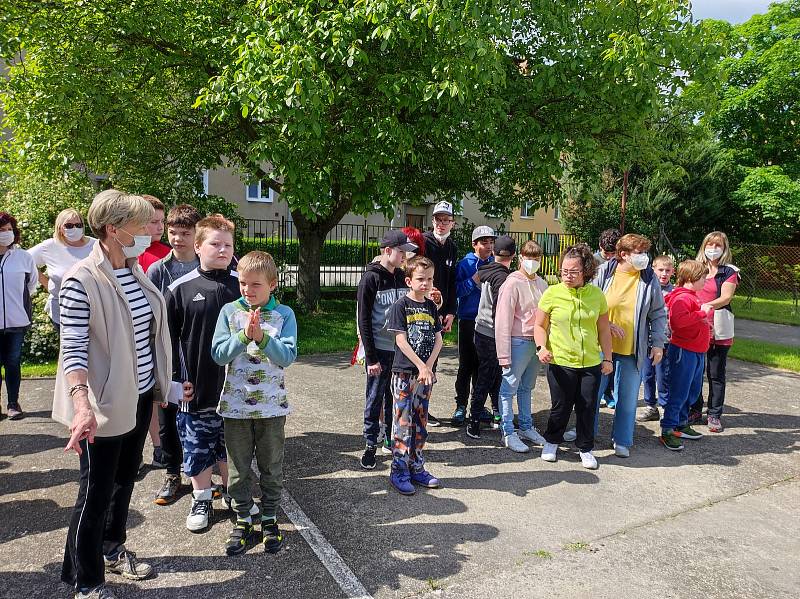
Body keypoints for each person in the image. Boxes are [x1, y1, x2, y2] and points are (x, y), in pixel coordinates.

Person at [53, 190, 177, 599]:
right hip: (104, 403)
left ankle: (112, 546)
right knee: (95, 491)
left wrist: (164, 384)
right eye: (141, 225)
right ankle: (84, 580)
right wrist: (82, 405)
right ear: (113, 229)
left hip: (138, 396)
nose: (149, 231)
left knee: (125, 478)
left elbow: (146, 336)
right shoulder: (82, 279)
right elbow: (73, 347)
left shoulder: (133, 269)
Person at [212, 251, 297, 555]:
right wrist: (242, 335)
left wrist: (261, 338)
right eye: (243, 283)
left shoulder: (284, 315)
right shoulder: (229, 312)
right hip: (235, 407)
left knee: (271, 465)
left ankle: (270, 517)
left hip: (272, 408)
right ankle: (244, 517)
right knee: (237, 468)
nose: (248, 290)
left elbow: (287, 357)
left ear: (272, 284)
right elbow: (218, 354)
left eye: (256, 284)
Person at [166, 214, 240, 532]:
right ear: (198, 246)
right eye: (214, 243)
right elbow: (166, 340)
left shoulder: (242, 285)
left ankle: (233, 494)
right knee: (197, 447)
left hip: (237, 389)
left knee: (231, 447)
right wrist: (170, 381)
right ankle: (201, 498)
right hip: (195, 388)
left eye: (228, 244)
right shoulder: (180, 289)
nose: (222, 250)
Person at [534, 244, 613, 470]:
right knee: (561, 406)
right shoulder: (552, 293)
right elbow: (539, 326)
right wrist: (541, 347)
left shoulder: (597, 295)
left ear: (586, 271)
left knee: (588, 406)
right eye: (564, 271)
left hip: (590, 362)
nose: (567, 276)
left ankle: (585, 448)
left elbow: (604, 330)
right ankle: (551, 442)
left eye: (573, 272)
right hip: (560, 361)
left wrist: (607, 358)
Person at [147, 203, 202, 506]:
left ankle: (205, 471)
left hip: (199, 353)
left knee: (202, 414)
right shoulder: (158, 270)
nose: (178, 238)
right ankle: (172, 473)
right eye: (173, 232)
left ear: (196, 235)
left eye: (185, 233)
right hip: (167, 354)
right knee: (168, 414)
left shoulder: (206, 266)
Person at [593, 234, 667, 458]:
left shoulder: (648, 277)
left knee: (627, 397)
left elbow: (657, 313)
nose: (644, 257)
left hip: (631, 349)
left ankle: (622, 439)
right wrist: (606, 324)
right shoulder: (604, 272)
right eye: (639, 253)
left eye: (645, 252)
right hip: (599, 346)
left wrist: (657, 344)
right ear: (623, 254)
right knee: (591, 394)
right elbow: (589, 303)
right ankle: (585, 431)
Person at [357, 230, 415, 469]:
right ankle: (371, 443)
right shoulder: (370, 279)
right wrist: (370, 357)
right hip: (379, 350)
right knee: (375, 397)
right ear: (388, 250)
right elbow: (364, 320)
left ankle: (390, 438)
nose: (404, 256)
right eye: (402, 252)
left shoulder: (402, 277)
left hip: (399, 349)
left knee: (396, 397)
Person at [386, 255, 443, 494]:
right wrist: (420, 366)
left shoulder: (430, 306)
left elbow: (439, 339)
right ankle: (399, 470)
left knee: (421, 422)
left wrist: (427, 367)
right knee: (403, 422)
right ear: (409, 280)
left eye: (429, 279)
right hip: (405, 374)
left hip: (425, 375)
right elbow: (401, 340)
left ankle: (416, 465)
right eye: (421, 279)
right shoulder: (401, 305)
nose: (426, 284)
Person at [494, 240, 549, 452]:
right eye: (528, 258)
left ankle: (526, 426)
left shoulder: (542, 284)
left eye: (536, 258)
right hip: (517, 342)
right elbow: (503, 321)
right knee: (509, 388)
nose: (532, 262)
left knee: (527, 387)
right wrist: (503, 354)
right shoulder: (511, 283)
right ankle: (507, 431)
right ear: (520, 259)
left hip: (535, 343)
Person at [688, 231, 740, 432]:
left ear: (724, 248)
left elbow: (726, 298)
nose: (713, 249)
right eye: (710, 244)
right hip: (696, 327)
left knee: (715, 373)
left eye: (718, 245)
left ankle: (714, 414)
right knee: (694, 372)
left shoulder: (729, 271)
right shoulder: (697, 268)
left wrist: (706, 305)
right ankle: (695, 409)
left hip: (718, 328)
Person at [466, 235, 516, 439]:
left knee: (490, 375)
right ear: (513, 256)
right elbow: (500, 309)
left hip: (479, 328)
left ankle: (494, 413)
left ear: (494, 253)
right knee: (488, 377)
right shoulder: (504, 278)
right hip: (493, 332)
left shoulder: (485, 270)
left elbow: (476, 286)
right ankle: (474, 420)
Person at [660, 260, 711, 451]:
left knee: (691, 391)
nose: (705, 281)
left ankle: (681, 424)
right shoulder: (682, 298)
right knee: (679, 391)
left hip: (696, 352)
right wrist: (701, 314)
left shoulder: (692, 296)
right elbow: (678, 323)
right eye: (703, 277)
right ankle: (668, 429)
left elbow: (693, 320)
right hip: (684, 351)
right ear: (691, 278)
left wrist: (705, 324)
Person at [453, 225, 496, 426]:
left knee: (483, 366)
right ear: (474, 244)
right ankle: (460, 405)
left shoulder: (495, 263)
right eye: (484, 242)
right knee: (466, 365)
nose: (489, 246)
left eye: (491, 242)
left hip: (488, 322)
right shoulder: (465, 263)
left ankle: (477, 406)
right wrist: (473, 279)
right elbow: (456, 291)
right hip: (468, 319)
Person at [28, 208, 96, 331]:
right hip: (62, 314)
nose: (74, 228)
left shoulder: (96, 246)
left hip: (94, 313)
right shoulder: (49, 246)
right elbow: (25, 261)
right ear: (60, 228)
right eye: (69, 225)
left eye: (78, 225)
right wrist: (46, 283)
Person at [0, 212, 38, 421]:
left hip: (17, 320)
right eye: (2, 230)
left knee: (13, 362)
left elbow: (30, 284)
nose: (6, 234)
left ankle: (13, 403)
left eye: (9, 230)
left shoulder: (23, 257)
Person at [637, 255, 675, 422]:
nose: (664, 273)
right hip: (646, 342)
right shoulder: (647, 288)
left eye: (667, 270)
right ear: (653, 269)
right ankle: (650, 406)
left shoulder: (674, 293)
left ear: (673, 272)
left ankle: (665, 407)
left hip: (664, 342)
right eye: (660, 270)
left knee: (663, 377)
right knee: (647, 375)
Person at [594, 228, 621, 408]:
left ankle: (608, 392)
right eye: (607, 253)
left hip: (616, 320)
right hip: (599, 319)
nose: (610, 257)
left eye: (614, 253)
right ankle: (600, 392)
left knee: (613, 360)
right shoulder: (594, 262)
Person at [423, 201, 458, 335]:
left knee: (435, 353)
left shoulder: (452, 247)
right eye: (438, 219)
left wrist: (451, 312)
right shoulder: (423, 241)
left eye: (446, 220)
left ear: (452, 224)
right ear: (432, 221)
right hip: (423, 309)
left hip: (442, 313)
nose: (441, 224)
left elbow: (451, 282)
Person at [137, 194, 171, 273]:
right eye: (154, 222)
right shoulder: (122, 252)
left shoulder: (170, 253)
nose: (161, 227)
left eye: (162, 221)